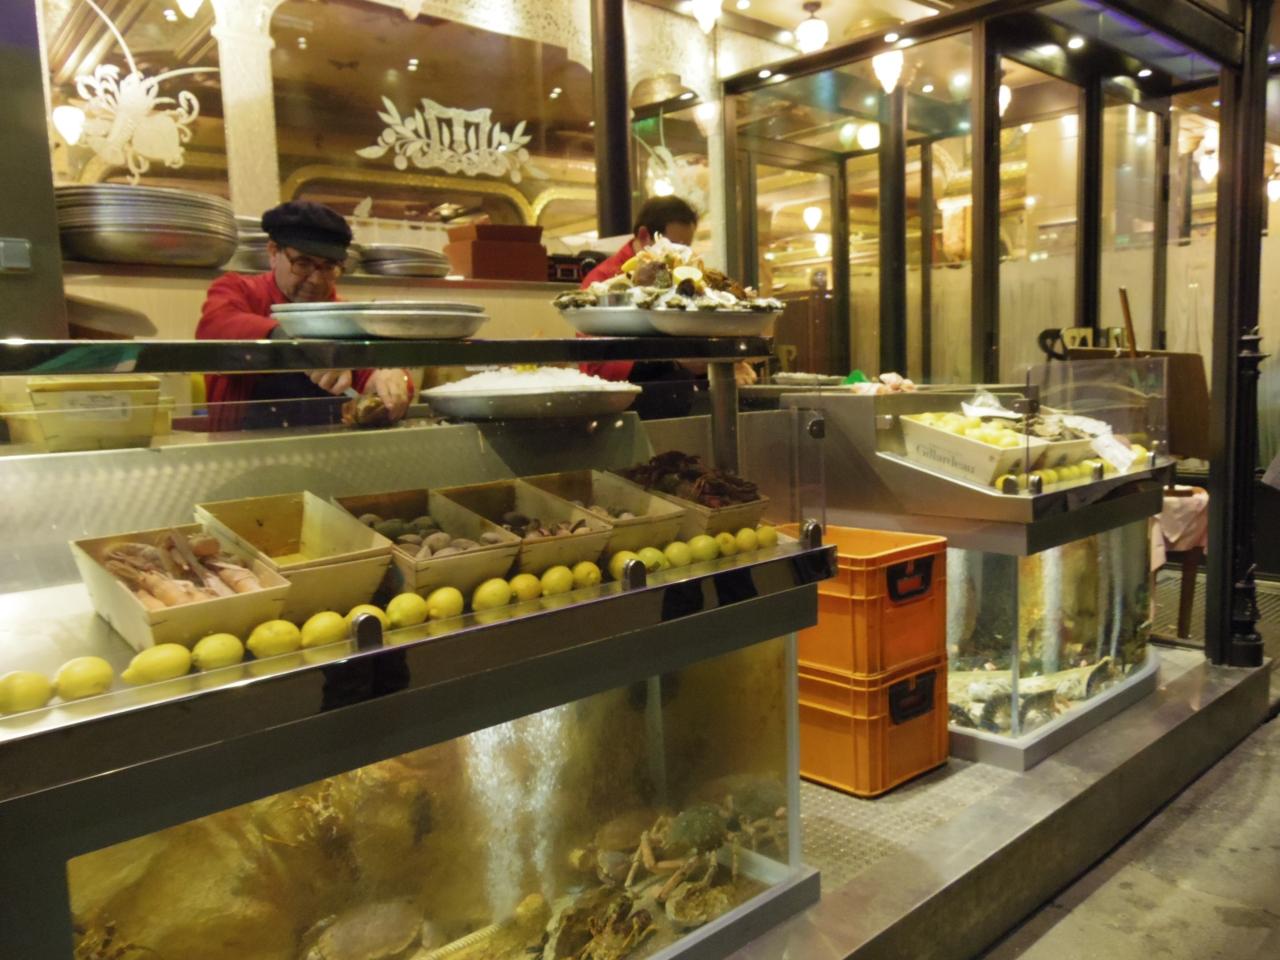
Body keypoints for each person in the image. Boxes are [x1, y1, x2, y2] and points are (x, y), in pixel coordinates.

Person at [197, 201, 413, 431]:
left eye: (328, 267)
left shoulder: (343, 314)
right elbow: (216, 327)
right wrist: (295, 343)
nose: (316, 280)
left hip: (328, 445)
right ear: (273, 252)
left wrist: (392, 379)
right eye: (303, 263)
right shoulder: (239, 290)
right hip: (244, 444)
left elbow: (374, 372)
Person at [579, 196, 757, 399]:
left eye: (686, 247)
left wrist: (726, 360)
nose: (681, 254)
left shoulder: (679, 276)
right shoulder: (603, 281)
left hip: (678, 395)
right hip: (621, 399)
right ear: (645, 236)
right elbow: (599, 366)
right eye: (674, 246)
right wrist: (676, 360)